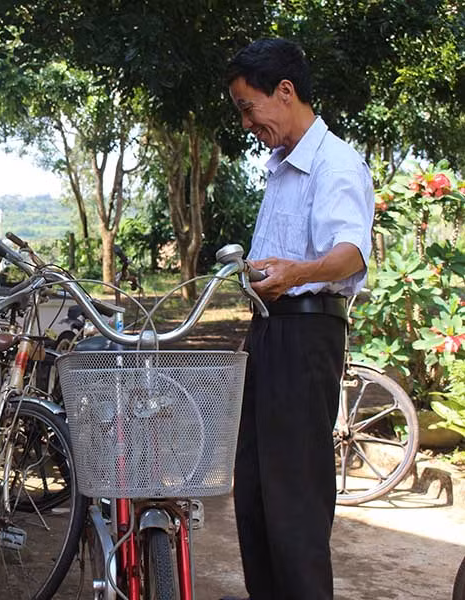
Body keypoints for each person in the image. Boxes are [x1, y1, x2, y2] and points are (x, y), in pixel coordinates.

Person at [222, 39, 374, 599]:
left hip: (306, 333)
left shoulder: (334, 161)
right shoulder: (281, 167)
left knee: (294, 500)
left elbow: (351, 252)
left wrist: (296, 273)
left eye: (247, 106)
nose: (245, 122)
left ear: (284, 92)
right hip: (269, 330)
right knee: (255, 491)